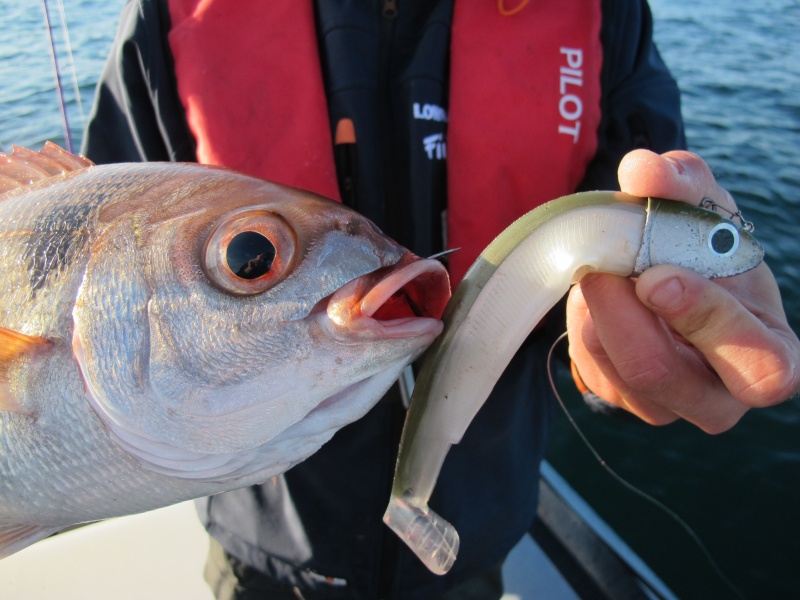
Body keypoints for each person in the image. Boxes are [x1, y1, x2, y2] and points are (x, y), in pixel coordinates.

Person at [82, 1, 800, 598]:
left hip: (468, 545)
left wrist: (645, 338)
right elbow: (96, 279)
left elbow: (642, 204)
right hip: (264, 552)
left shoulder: (605, 15)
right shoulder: (170, 20)